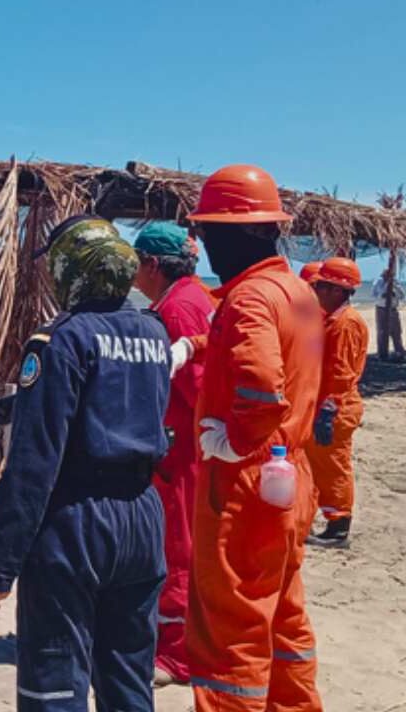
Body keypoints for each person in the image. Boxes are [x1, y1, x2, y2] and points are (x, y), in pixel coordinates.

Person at [0, 215, 171, 710]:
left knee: (54, 684)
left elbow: (34, 461)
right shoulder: (153, 331)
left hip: (76, 522)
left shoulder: (61, 339)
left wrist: (0, 563)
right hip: (142, 518)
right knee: (128, 679)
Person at [175, 164, 324, 711]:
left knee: (230, 628)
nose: (207, 247)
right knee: (282, 614)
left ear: (243, 233)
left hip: (246, 483)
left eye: (210, 232)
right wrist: (195, 346)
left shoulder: (250, 298)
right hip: (291, 476)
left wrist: (236, 440)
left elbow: (261, 386)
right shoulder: (297, 292)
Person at [131, 221, 214, 687]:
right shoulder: (192, 297)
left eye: (136, 263)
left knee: (178, 547)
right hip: (187, 444)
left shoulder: (179, 307)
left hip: (182, 448)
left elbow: (199, 387)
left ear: (152, 265)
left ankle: (178, 655)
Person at [304, 257, 368, 548]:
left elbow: (341, 373)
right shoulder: (332, 319)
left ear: (336, 290)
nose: (316, 292)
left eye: (321, 287)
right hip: (329, 403)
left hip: (337, 406)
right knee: (320, 463)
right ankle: (328, 519)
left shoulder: (345, 324)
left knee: (333, 465)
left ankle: (338, 526)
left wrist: (328, 410)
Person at [372, 266, 405, 361]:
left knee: (396, 331)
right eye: (387, 275)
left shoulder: (395, 282)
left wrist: (394, 287)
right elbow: (374, 296)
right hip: (381, 309)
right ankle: (382, 354)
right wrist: (385, 288)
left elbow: (402, 295)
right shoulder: (378, 282)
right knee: (382, 332)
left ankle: (399, 352)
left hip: (393, 309)